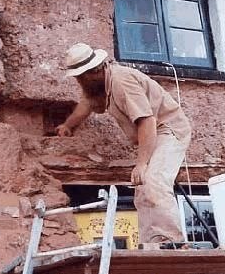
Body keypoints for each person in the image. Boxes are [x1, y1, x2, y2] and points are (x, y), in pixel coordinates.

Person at [56, 42, 192, 245]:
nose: (78, 81)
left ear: (93, 72)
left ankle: (172, 241)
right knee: (142, 187)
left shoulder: (122, 81)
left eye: (80, 77)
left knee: (154, 179)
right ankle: (152, 243)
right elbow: (87, 103)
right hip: (155, 132)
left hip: (168, 130)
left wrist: (142, 162)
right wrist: (68, 125)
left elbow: (147, 121)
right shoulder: (100, 85)